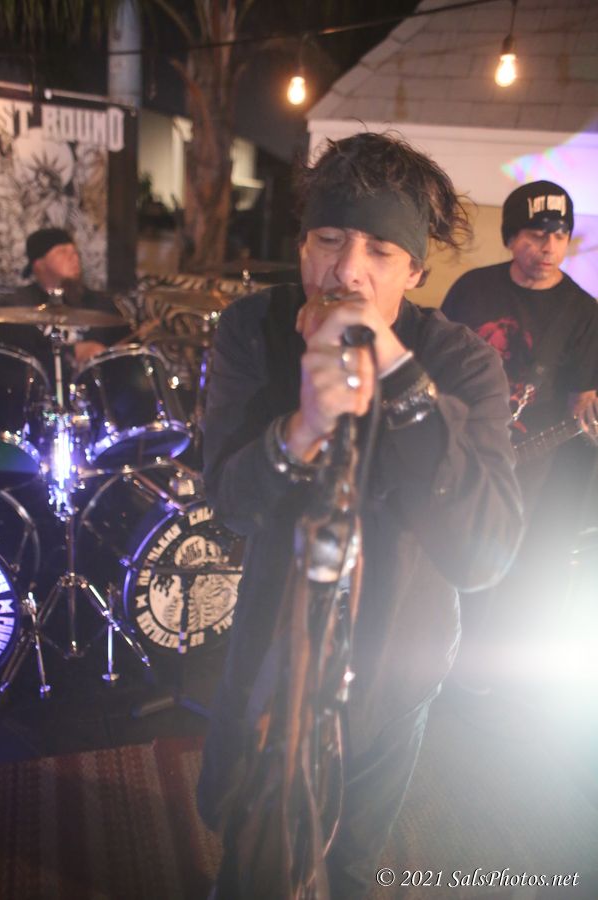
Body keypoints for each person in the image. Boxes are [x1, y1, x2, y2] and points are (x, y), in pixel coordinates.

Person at [197, 131, 523, 900]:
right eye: (329, 239)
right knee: (247, 851)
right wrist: (301, 428)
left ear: (415, 270)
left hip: (399, 662)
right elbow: (229, 506)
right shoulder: (253, 329)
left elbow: (484, 553)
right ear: (302, 245)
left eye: (379, 249)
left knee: (351, 863)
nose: (348, 270)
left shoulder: (460, 362)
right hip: (274, 656)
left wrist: (400, 381)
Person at [442, 180, 598, 697]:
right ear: (511, 237)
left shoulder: (583, 312)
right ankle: (438, 657)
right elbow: (435, 366)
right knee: (449, 558)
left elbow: (583, 398)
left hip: (528, 466)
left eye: (560, 235)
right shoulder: (472, 289)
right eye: (535, 234)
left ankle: (486, 675)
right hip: (459, 450)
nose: (548, 247)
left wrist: (588, 412)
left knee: (511, 569)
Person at [0, 227, 128, 385]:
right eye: (62, 252)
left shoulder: (100, 304)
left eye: (74, 252)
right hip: (40, 392)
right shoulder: (15, 306)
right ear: (39, 264)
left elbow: (126, 349)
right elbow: (14, 361)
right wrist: (72, 352)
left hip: (94, 392)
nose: (74, 257)